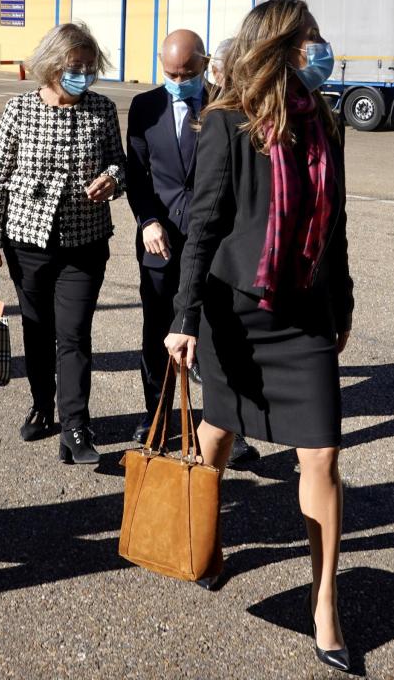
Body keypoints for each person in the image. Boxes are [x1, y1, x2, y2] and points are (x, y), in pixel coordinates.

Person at [165, 0, 355, 673]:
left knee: (323, 456)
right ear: (279, 45)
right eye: (311, 38)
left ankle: (325, 603)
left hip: (303, 311)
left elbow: (334, 224)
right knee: (215, 433)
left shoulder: (324, 119)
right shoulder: (226, 122)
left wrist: (344, 301)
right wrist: (183, 318)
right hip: (233, 311)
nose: (321, 47)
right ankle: (203, 540)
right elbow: (205, 227)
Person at [0, 22, 127, 465]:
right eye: (73, 66)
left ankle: (76, 425)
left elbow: (119, 163)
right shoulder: (19, 110)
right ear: (51, 65)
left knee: (74, 335)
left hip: (85, 243)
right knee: (37, 332)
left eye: (88, 66)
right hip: (28, 243)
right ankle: (44, 407)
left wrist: (112, 179)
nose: (82, 74)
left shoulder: (101, 109)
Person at [124, 29, 256, 463]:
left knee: (220, 334)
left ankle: (225, 427)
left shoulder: (228, 104)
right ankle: (155, 418)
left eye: (186, 72)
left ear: (204, 64)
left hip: (215, 244)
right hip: (159, 242)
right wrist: (147, 221)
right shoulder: (145, 108)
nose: (178, 79)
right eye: (169, 72)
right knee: (158, 331)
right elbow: (138, 176)